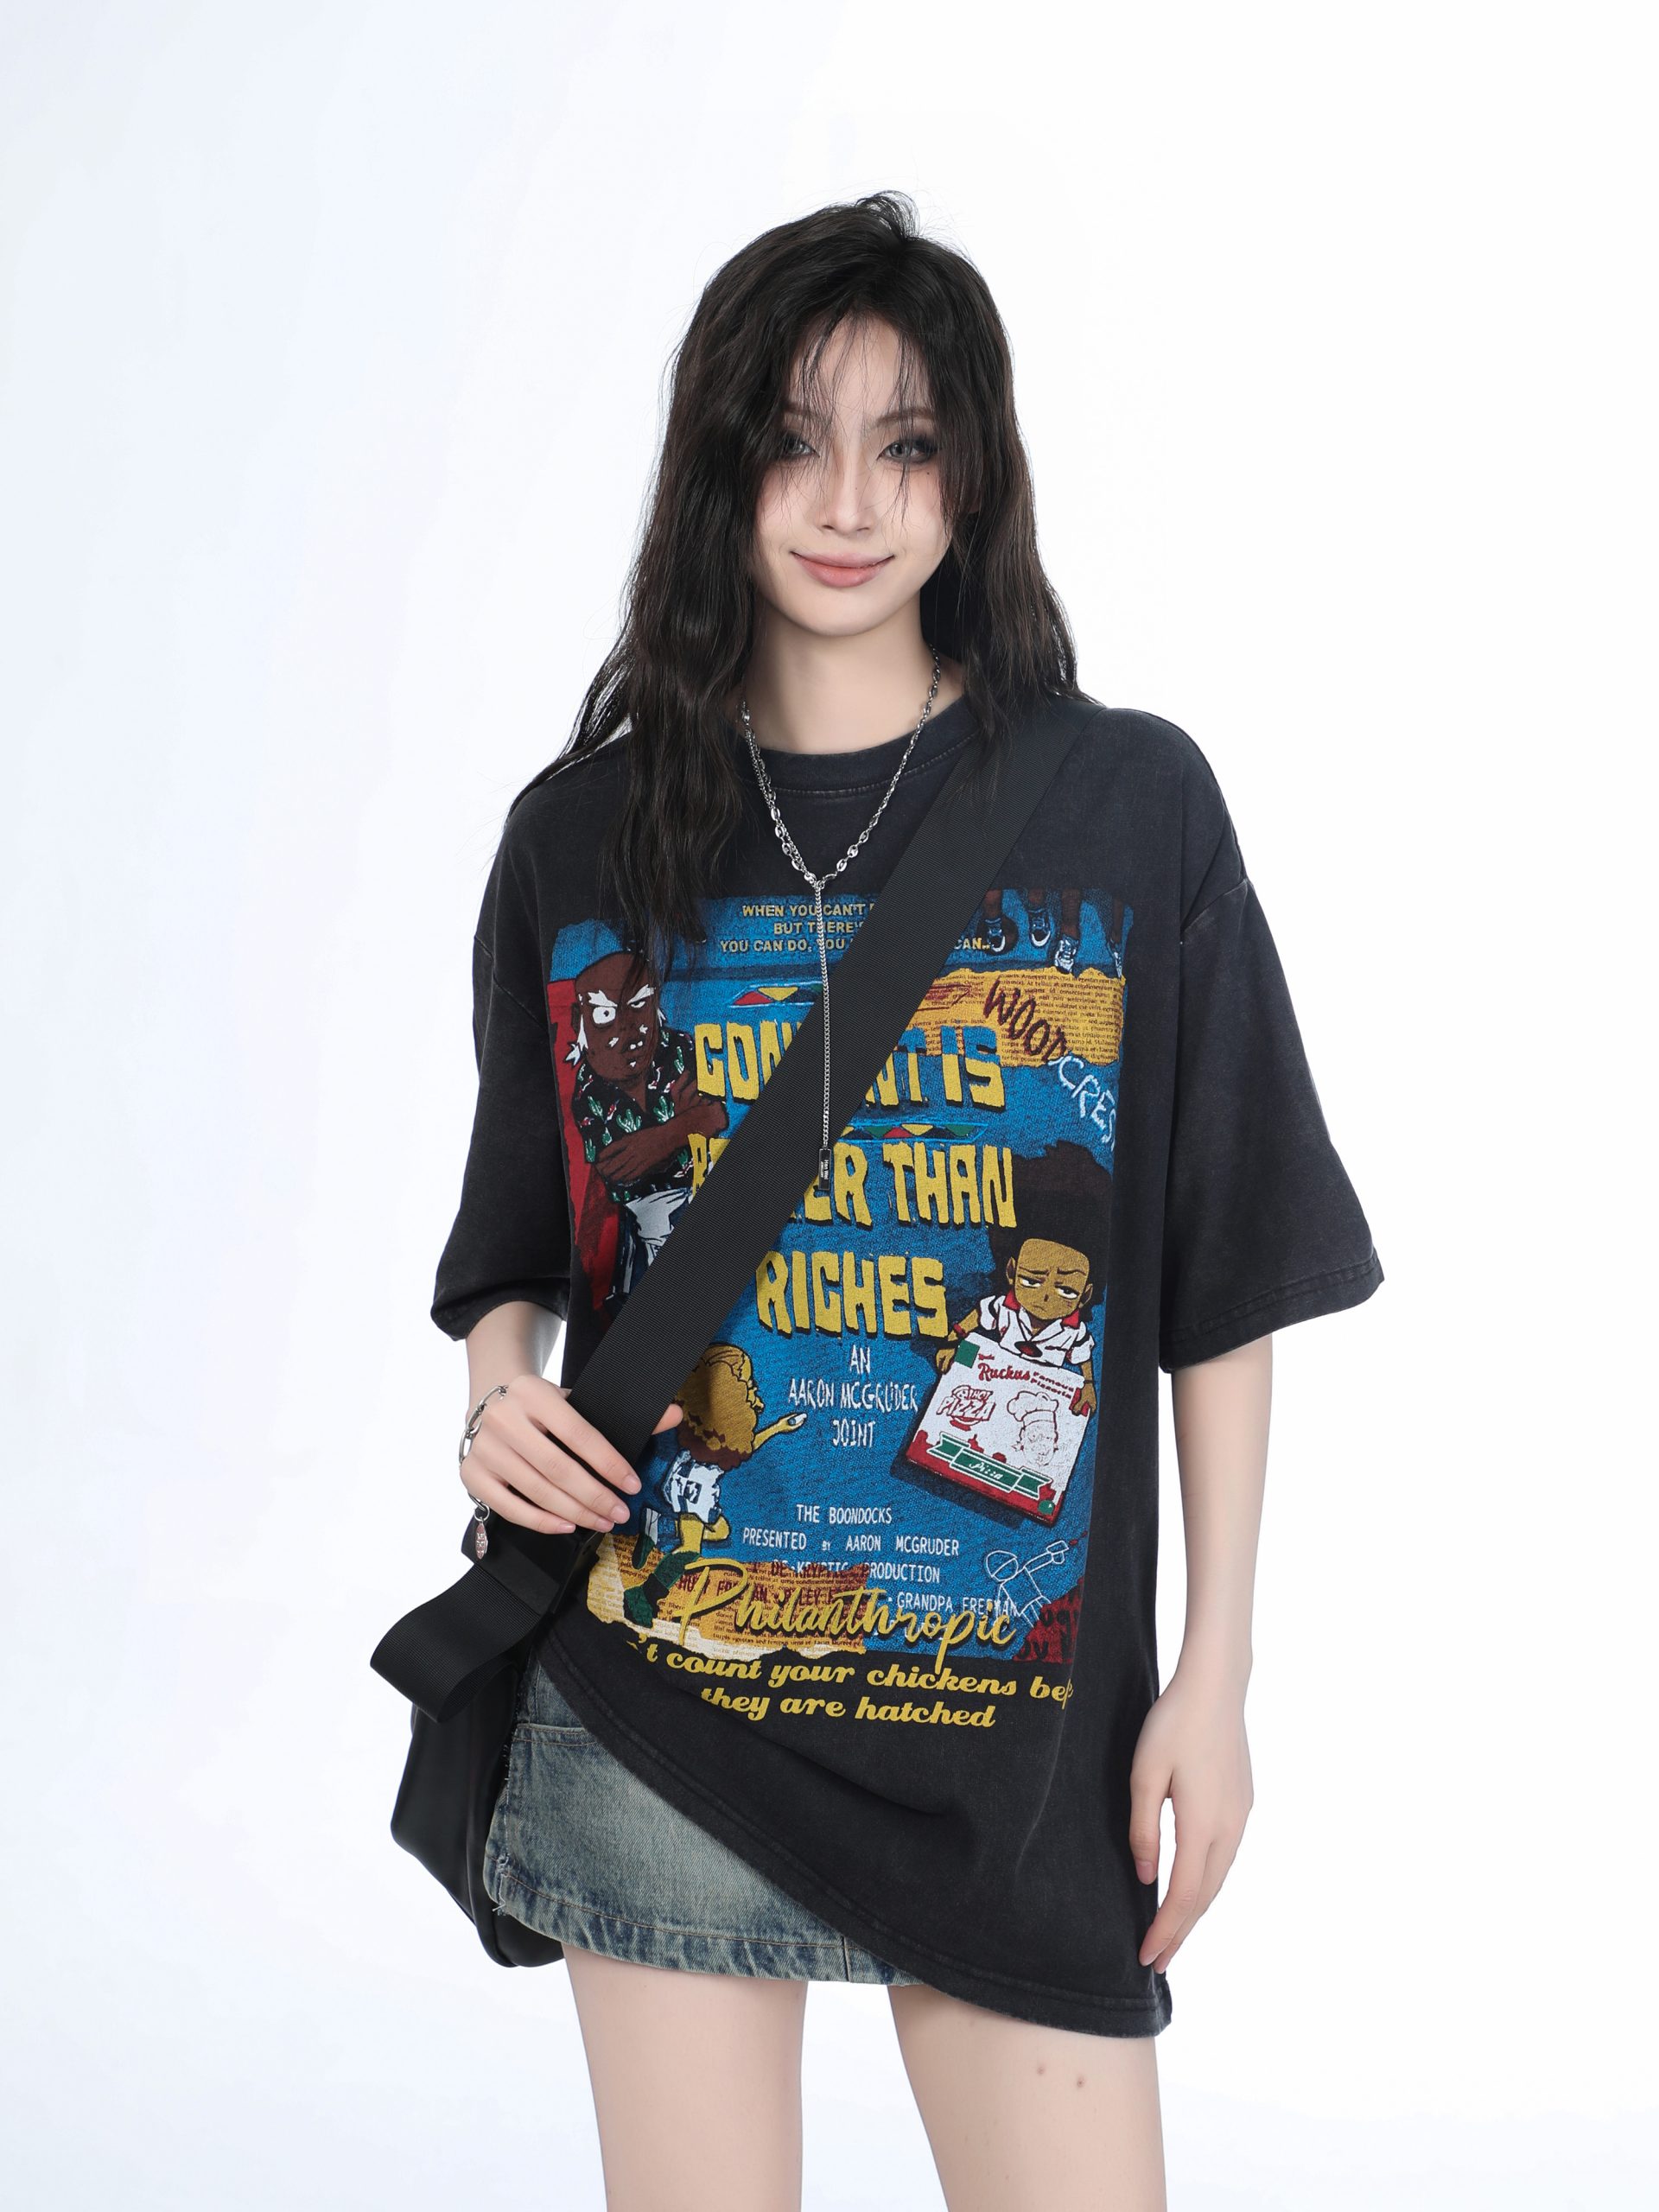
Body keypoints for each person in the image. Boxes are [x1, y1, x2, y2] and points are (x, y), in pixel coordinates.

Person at [429, 191, 1382, 2212]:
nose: (851, 502)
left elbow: (1221, 1268)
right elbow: (526, 1245)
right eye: (794, 440)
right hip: (668, 1692)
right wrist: (502, 1387)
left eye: (909, 442)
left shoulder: (1126, 802)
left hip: (1019, 1737)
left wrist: (1216, 1671)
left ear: (978, 473)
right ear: (719, 469)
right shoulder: (584, 835)